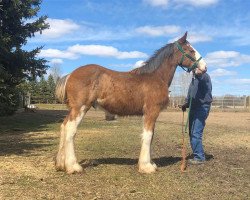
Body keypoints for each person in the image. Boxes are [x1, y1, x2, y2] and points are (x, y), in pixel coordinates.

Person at [181, 71, 212, 165]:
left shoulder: (204, 76)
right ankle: (197, 154)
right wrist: (186, 104)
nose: (193, 71)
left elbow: (201, 77)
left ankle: (199, 157)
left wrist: (200, 71)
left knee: (196, 132)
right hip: (193, 107)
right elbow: (191, 93)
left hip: (202, 107)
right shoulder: (193, 80)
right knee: (192, 132)